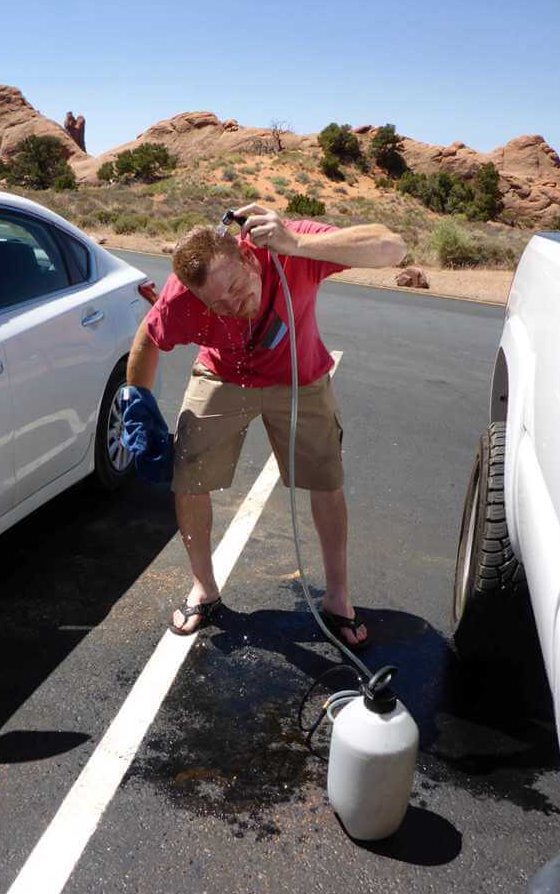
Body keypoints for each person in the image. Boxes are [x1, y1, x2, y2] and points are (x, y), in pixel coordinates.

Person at [126, 203, 406, 645]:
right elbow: (148, 336)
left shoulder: (287, 248)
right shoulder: (184, 297)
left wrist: (296, 242)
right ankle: (204, 587)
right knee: (187, 479)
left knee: (326, 480)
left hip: (299, 374)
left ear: (248, 257)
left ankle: (337, 597)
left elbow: (392, 246)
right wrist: (137, 403)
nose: (235, 306)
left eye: (237, 288)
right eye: (219, 304)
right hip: (222, 374)